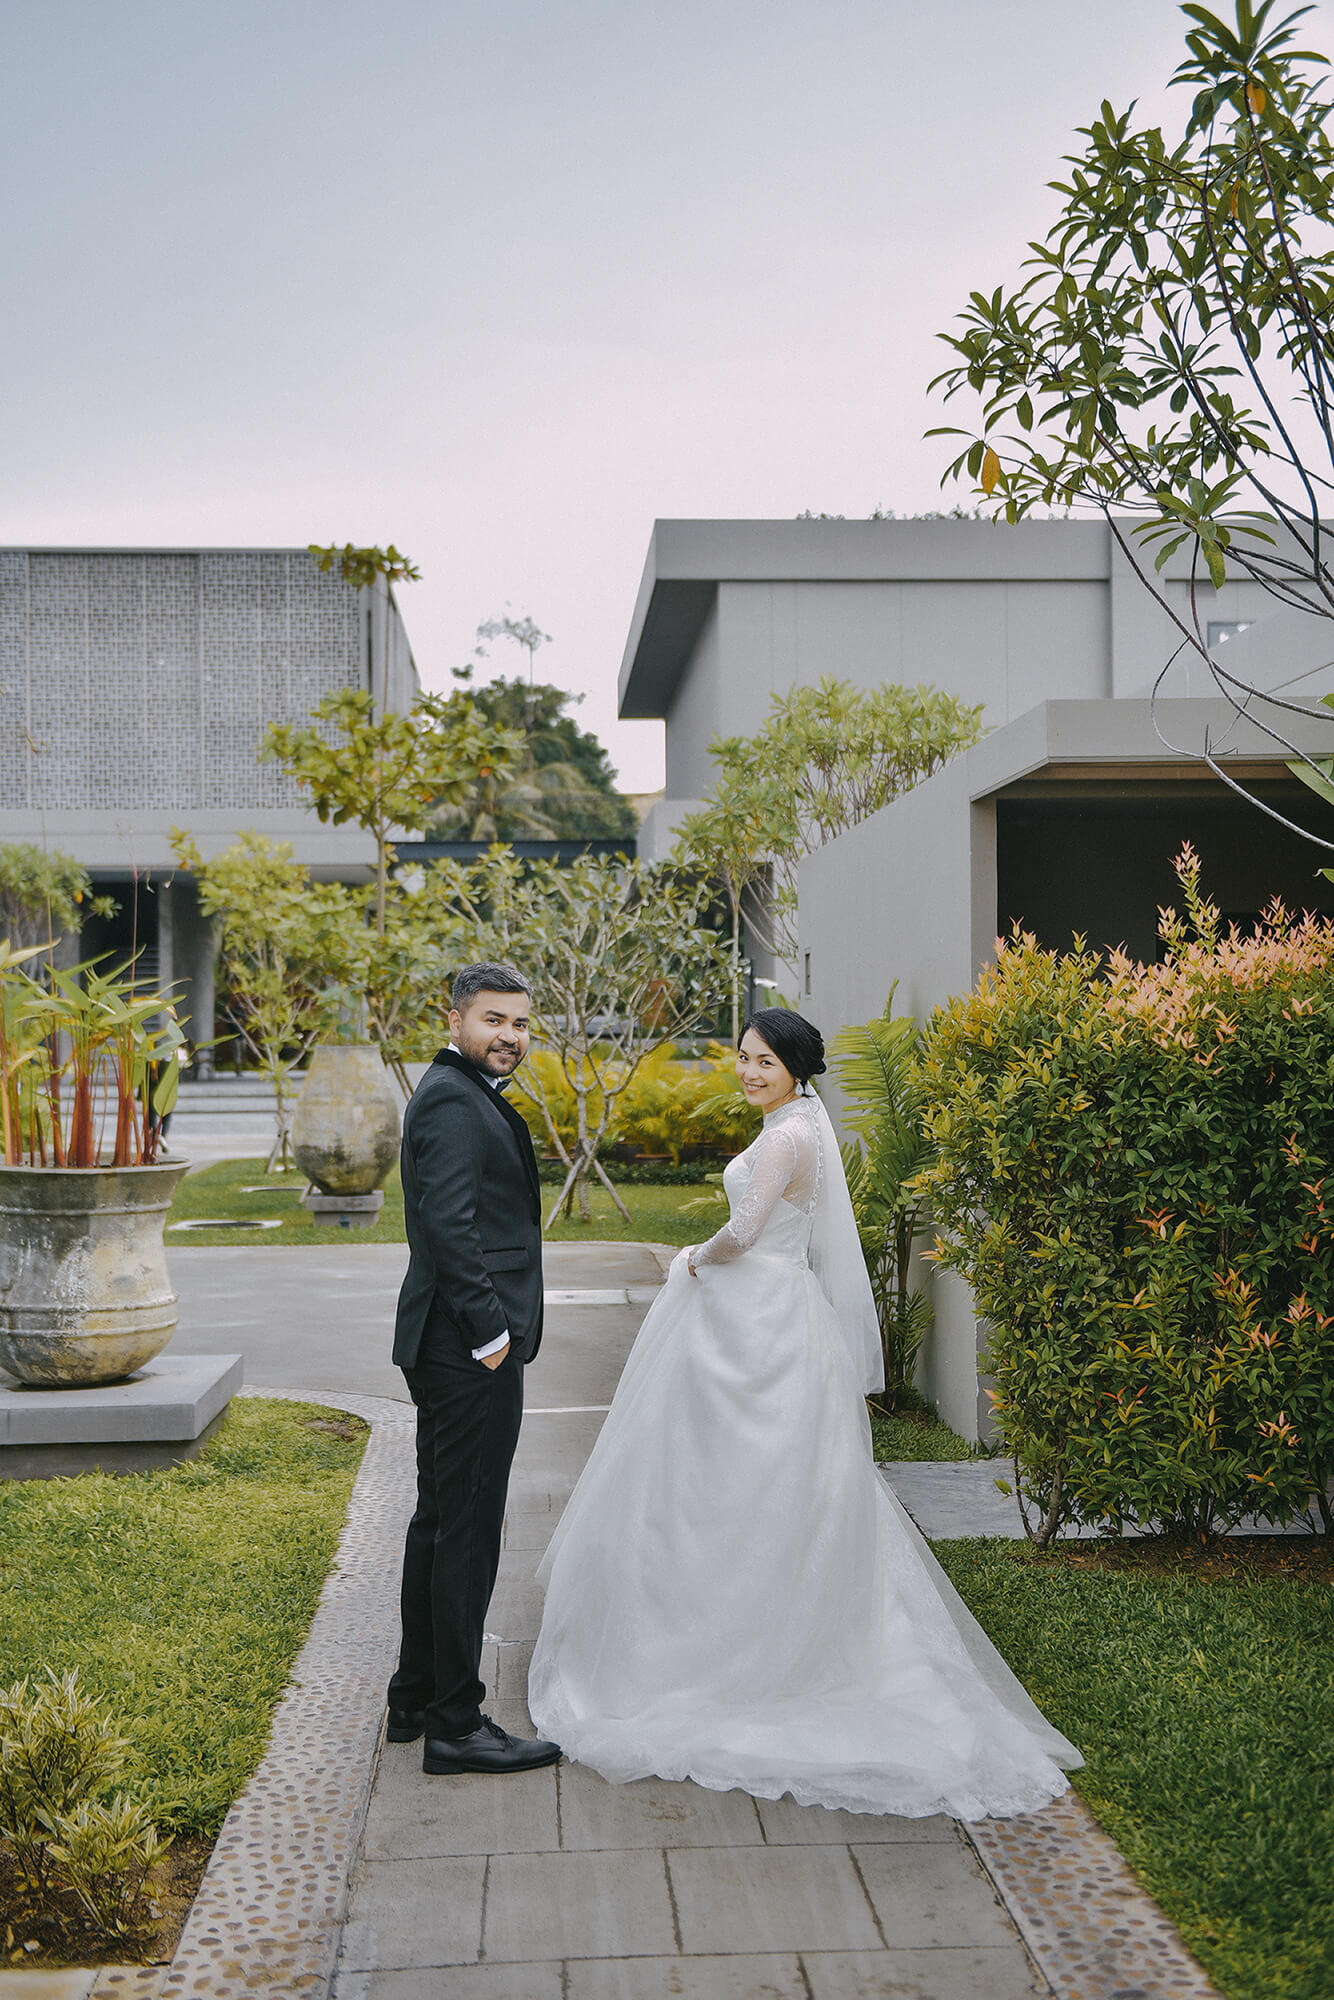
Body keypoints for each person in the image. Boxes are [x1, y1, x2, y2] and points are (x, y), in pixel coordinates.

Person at [528, 1008, 1081, 1819]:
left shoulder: (786, 1137)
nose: (748, 1072)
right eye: (742, 1059)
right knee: (773, 1482)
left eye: (762, 1061)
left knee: (726, 1480)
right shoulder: (807, 1125)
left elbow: (743, 1233)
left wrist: (690, 1258)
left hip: (754, 1322)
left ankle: (727, 1649)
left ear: (793, 1066)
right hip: (787, 1316)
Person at [387, 963, 561, 1777]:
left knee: (439, 1522)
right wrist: (493, 1335)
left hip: (447, 1345)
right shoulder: (454, 1101)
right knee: (466, 1533)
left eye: (521, 1024)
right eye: (495, 1020)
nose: (511, 1037)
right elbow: (448, 1227)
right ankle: (456, 1725)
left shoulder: (453, 1091)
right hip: (466, 1351)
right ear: (453, 1018)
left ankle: (417, 1694)